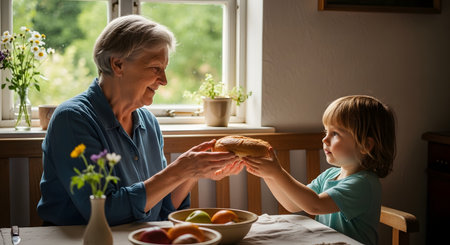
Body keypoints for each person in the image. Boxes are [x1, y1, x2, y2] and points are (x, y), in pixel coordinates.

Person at [37, 15, 243, 226]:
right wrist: (179, 170)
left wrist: (193, 173)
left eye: (164, 69)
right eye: (156, 68)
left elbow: (161, 209)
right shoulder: (72, 119)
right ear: (118, 65)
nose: (164, 80)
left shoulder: (148, 122)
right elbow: (103, 213)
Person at [244, 95, 396, 245]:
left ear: (366, 145)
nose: (324, 139)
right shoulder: (330, 175)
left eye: (335, 133)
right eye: (326, 132)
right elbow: (292, 204)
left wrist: (278, 172)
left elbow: (314, 206)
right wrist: (270, 175)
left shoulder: (363, 184)